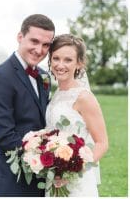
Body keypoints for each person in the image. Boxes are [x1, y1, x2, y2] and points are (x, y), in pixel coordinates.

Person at [0, 14, 55, 196]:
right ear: (20, 37)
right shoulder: (0, 76)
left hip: (42, 179)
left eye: (46, 45)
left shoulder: (44, 75)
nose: (39, 50)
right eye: (34, 41)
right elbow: (4, 136)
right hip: (13, 180)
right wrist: (48, 160)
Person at [46, 34, 109, 196]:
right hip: (53, 178)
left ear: (79, 63)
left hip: (77, 182)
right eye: (56, 58)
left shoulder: (84, 97)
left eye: (68, 60)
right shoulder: (57, 93)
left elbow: (102, 143)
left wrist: (73, 172)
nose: (60, 65)